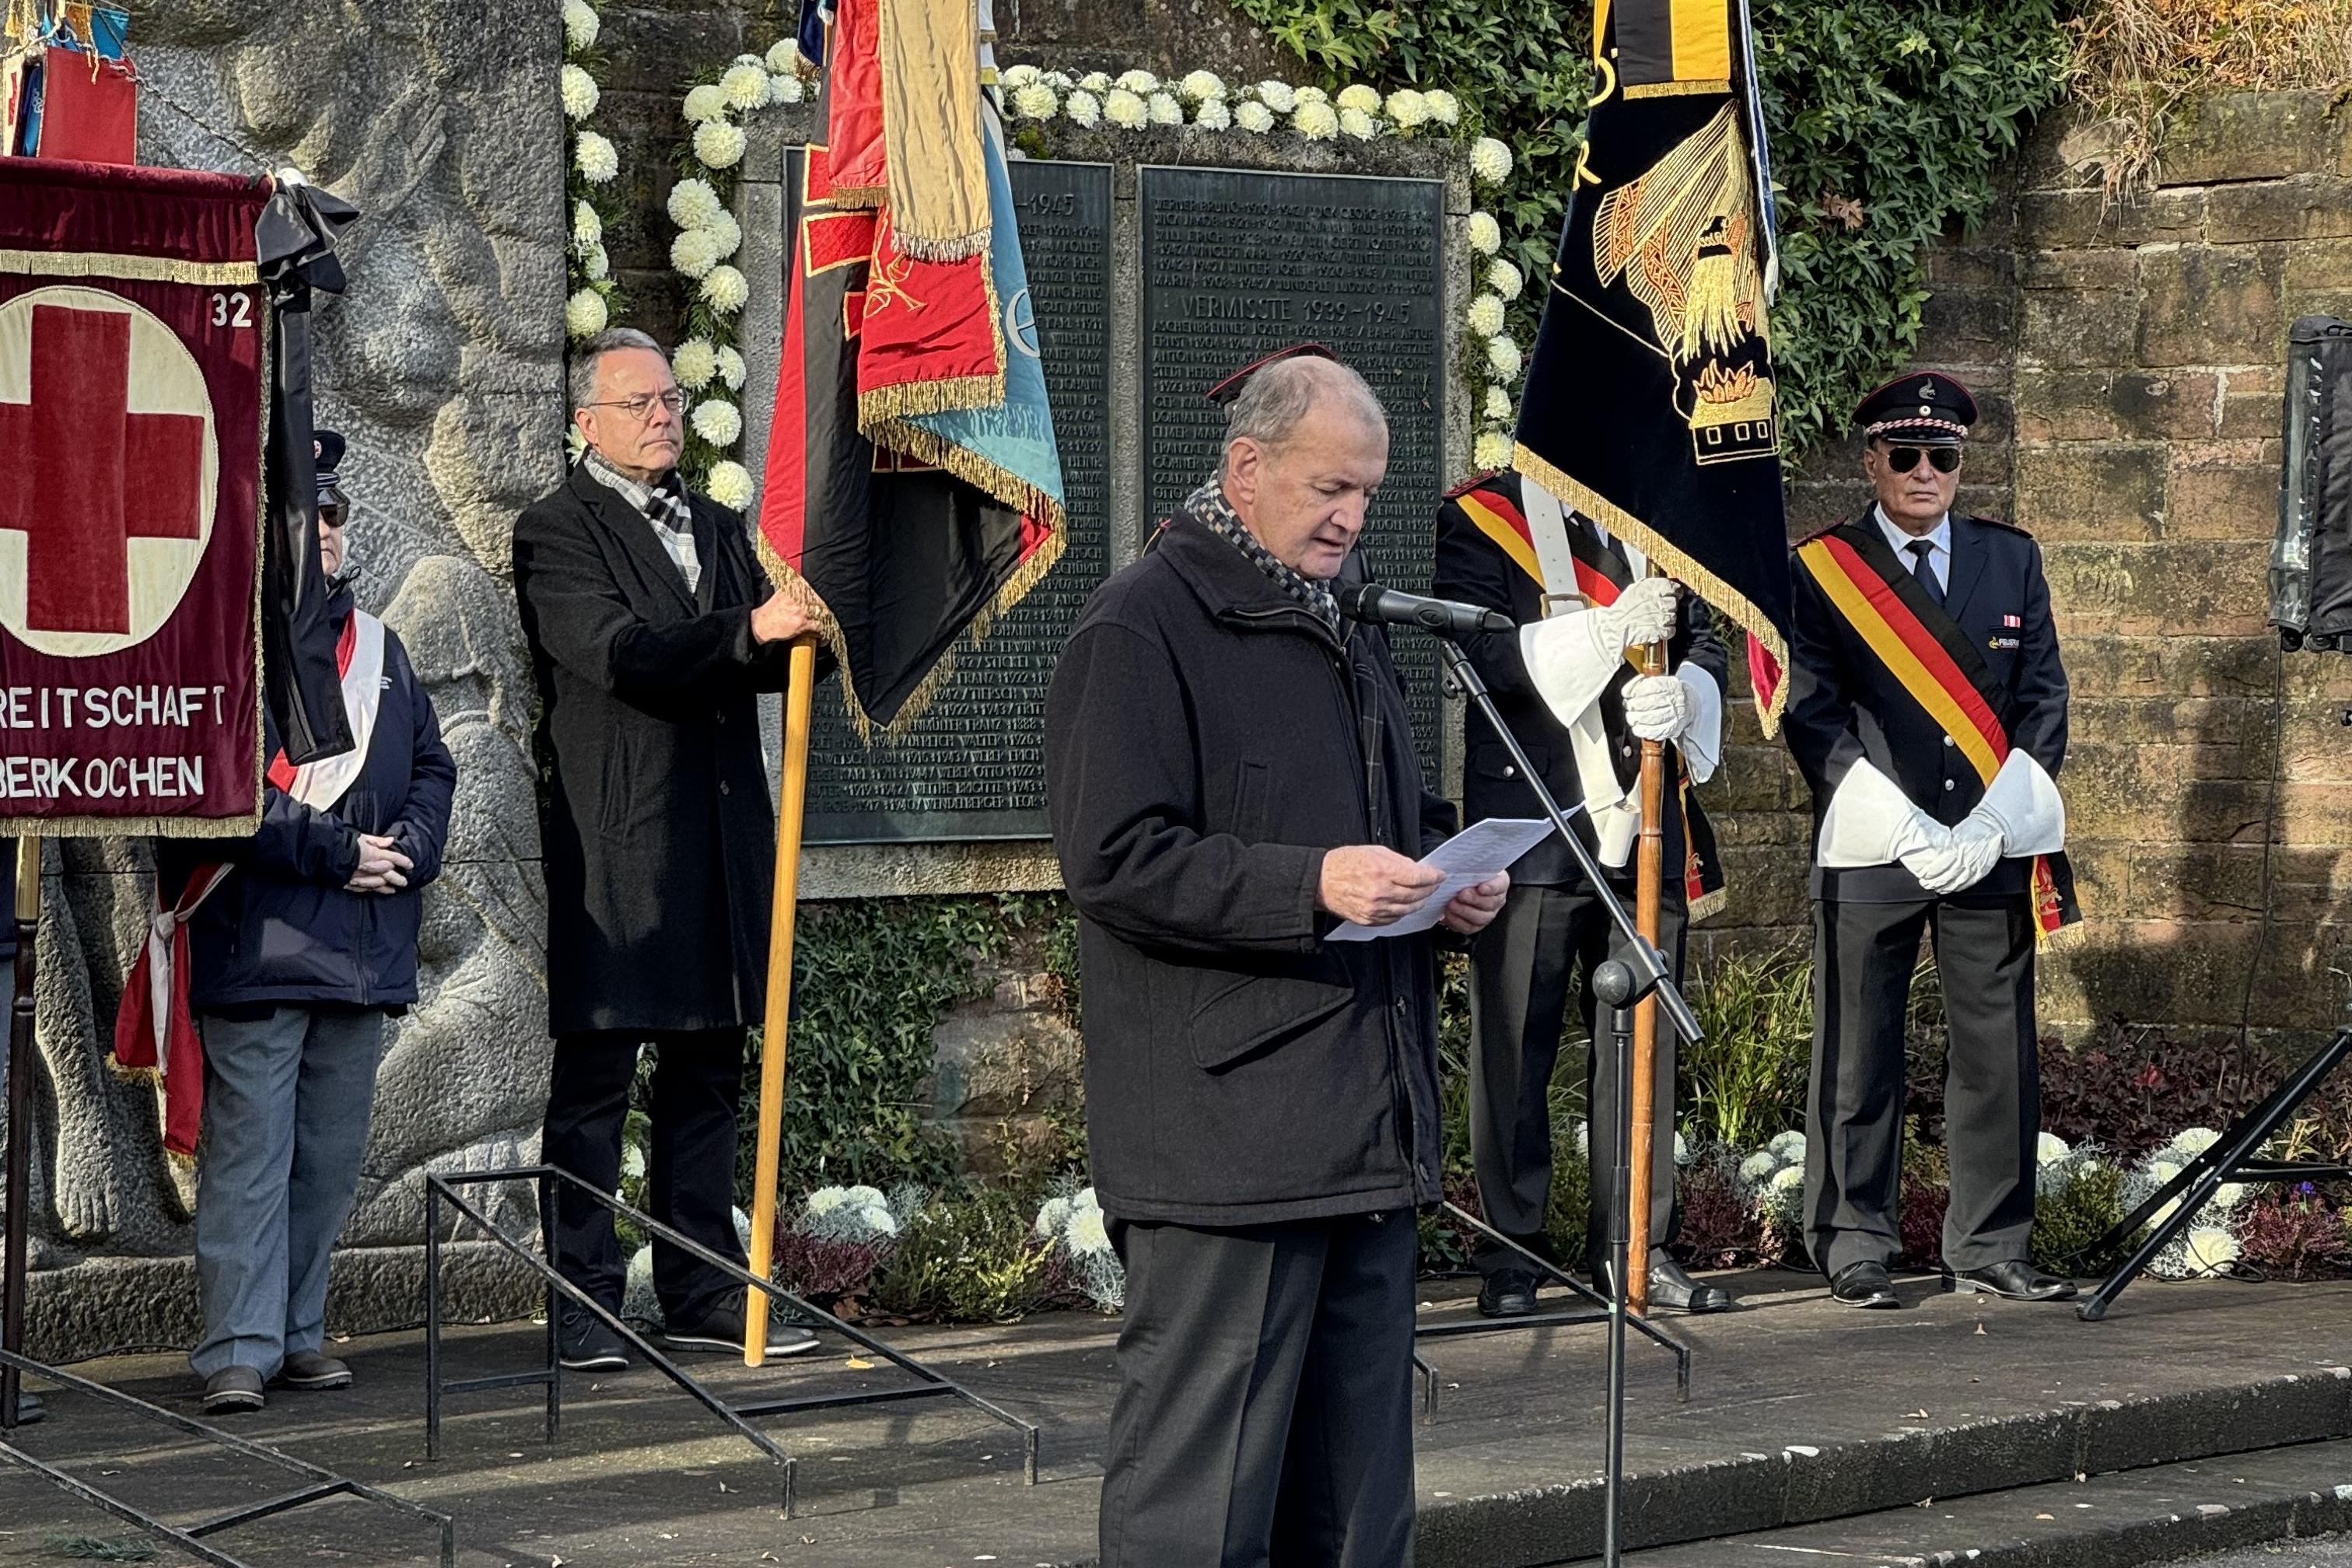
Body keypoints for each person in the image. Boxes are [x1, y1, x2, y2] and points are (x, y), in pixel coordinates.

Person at [1045, 347, 1508, 1568]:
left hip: (1363, 1126)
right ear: (1245, 470)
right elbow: (1115, 858)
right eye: (1328, 490)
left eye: (1368, 493)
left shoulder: (1345, 621)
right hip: (1228, 1149)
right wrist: (1311, 885)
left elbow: (1364, 814)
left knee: (1356, 1516)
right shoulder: (1140, 625)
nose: (1354, 518)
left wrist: (1439, 881)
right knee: (1201, 1514)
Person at [513, 328, 825, 1370]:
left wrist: (815, 628)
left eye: (670, 402)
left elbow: (772, 667)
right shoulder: (556, 533)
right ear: (584, 423)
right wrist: (750, 633)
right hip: (624, 850)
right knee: (598, 1087)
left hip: (726, 843)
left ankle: (699, 1290)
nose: (662, 416)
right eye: (639, 402)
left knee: (708, 1082)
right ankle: (584, 1303)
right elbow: (622, 657)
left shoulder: (727, 529)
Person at [166, 430, 457, 1415]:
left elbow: (432, 768)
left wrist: (412, 845)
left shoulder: (381, 649)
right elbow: (218, 784)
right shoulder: (219, 644)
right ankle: (236, 1348)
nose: (325, 533)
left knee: (328, 1163)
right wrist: (341, 853)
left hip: (362, 945)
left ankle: (296, 1334)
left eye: (334, 516)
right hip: (261, 937)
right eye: (305, 517)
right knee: (250, 1160)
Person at [1781, 372, 2077, 1310]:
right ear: (1870, 462)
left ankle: (1991, 1244)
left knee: (1997, 1052)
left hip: (1985, 844)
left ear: (1960, 466)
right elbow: (1811, 711)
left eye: (1941, 457)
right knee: (1857, 1052)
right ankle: (1854, 1242)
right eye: (1903, 455)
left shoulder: (2011, 559)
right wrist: (1895, 820)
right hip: (1875, 841)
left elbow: (2043, 701)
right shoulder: (1822, 567)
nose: (1923, 473)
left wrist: (1996, 823)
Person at [1432, 468, 1734, 1317]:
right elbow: (1483, 651)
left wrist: (1692, 692)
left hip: (1644, 825)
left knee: (1643, 1049)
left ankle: (1635, 1245)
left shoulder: (1661, 519)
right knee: (1514, 1050)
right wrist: (1608, 633)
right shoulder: (1482, 516)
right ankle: (1511, 1255)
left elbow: (1704, 637)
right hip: (1533, 819)